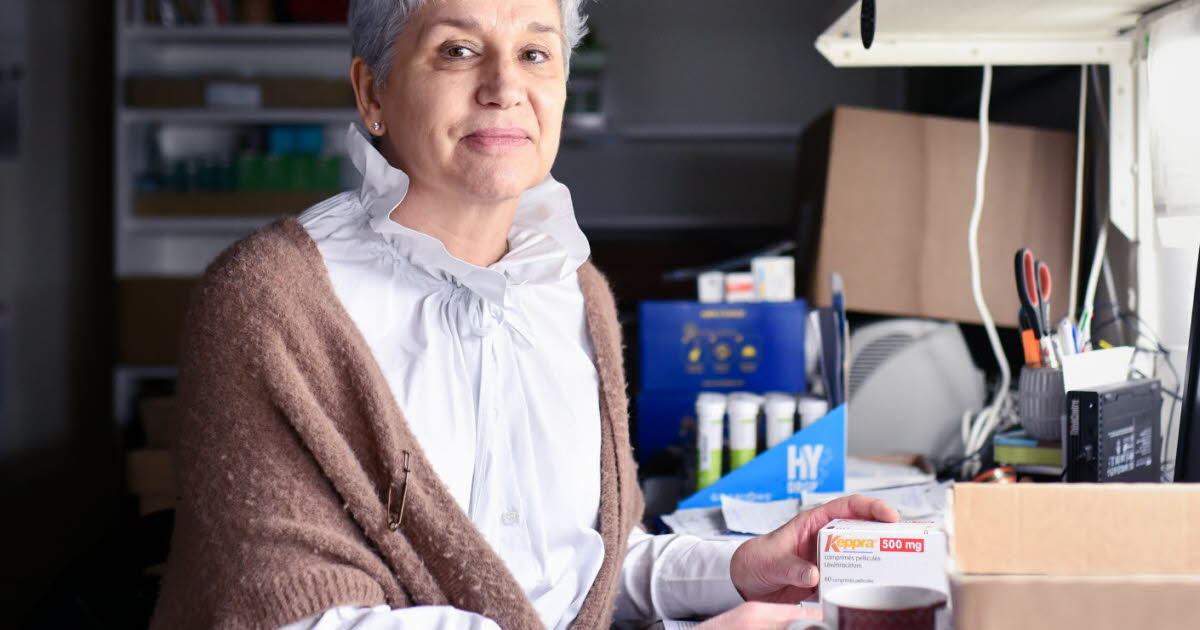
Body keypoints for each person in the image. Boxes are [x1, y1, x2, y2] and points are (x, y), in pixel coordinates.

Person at [148, 1, 900, 629]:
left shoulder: (577, 293)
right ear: (372, 92)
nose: (504, 87)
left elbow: (583, 569)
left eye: (536, 54)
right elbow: (295, 618)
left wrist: (742, 565)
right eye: (458, 49)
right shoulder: (269, 302)